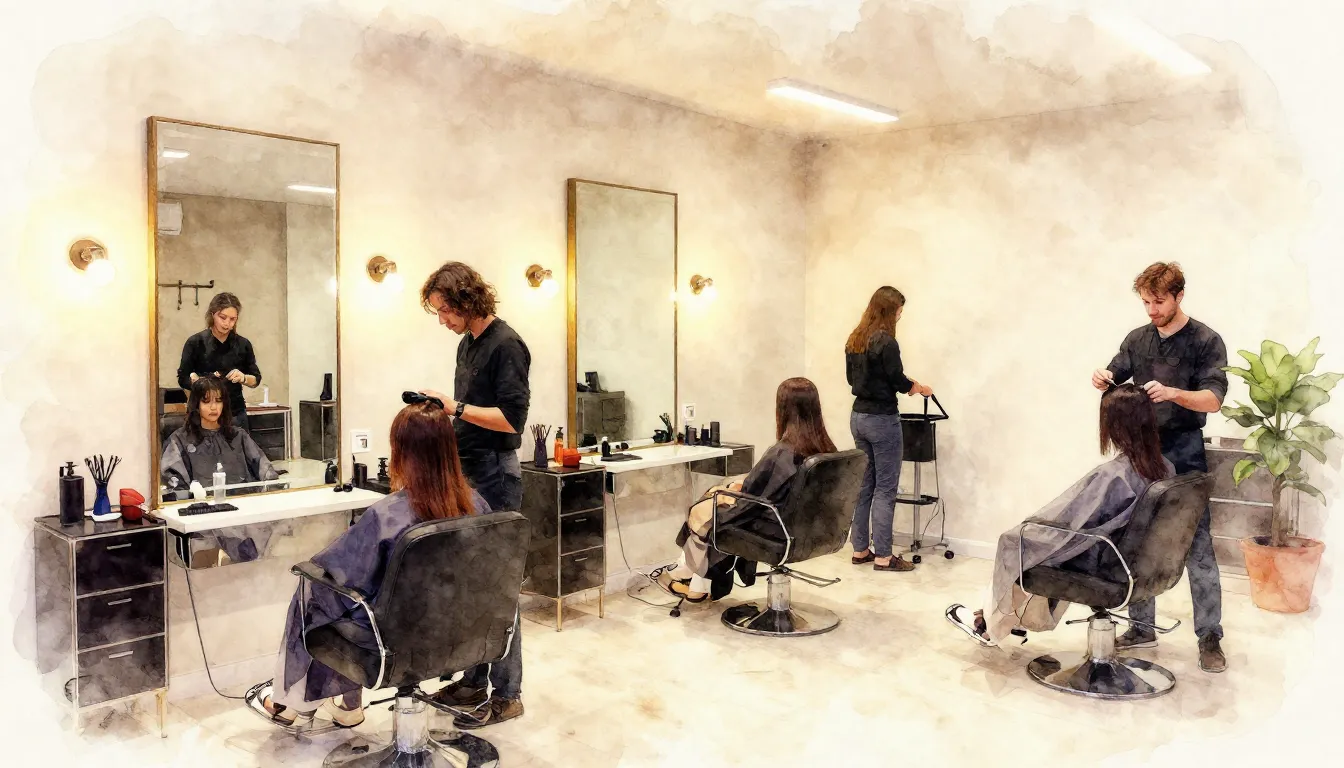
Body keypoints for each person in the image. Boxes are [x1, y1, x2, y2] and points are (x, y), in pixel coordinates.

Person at [254, 400, 492, 727]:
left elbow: (335, 572)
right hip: (462, 632)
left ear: (401, 453)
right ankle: (341, 704)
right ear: (449, 450)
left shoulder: (387, 515)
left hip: (393, 640)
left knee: (314, 591)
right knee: (346, 600)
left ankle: (295, 702)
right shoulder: (478, 505)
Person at [945, 384, 1174, 646]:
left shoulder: (1114, 475)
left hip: (1103, 566)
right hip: (1134, 565)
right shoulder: (1165, 468)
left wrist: (1034, 530)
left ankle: (990, 626)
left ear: (1115, 427)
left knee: (1015, 542)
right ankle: (1010, 618)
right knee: (1036, 546)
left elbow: (1072, 522)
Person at [1091, 261, 1229, 673]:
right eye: (1146, 303)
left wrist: (1173, 393)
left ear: (1179, 296)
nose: (1152, 310)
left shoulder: (1206, 341)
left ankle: (1209, 637)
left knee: (1197, 546)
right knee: (1138, 540)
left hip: (1185, 453)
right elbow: (1118, 369)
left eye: (1159, 302)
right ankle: (1141, 627)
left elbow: (1213, 400)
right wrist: (1104, 376)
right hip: (1142, 452)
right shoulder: (1138, 339)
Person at [418, 261, 530, 727]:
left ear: (466, 300)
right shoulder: (467, 344)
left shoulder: (507, 345)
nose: (443, 321)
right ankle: (473, 680)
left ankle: (507, 694)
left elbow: (511, 421)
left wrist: (456, 407)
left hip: (496, 475)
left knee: (497, 586)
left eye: (445, 311)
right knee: (470, 584)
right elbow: (465, 413)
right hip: (467, 473)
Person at [655, 377, 838, 603]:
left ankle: (688, 574)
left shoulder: (782, 452)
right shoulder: (826, 451)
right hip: (810, 529)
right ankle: (696, 582)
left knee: (707, 509)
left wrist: (730, 490)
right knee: (717, 505)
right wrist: (742, 487)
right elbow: (777, 488)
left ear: (782, 410)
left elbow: (753, 498)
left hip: (776, 529)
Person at [845, 286, 933, 573]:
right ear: (889, 311)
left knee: (864, 486)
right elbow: (897, 380)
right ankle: (883, 556)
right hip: (882, 420)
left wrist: (902, 383)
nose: (900, 316)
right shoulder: (887, 342)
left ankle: (860, 550)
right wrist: (916, 387)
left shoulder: (855, 338)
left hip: (858, 417)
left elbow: (852, 380)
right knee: (885, 488)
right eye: (899, 311)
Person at [161, 377, 279, 499]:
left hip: (243, 503)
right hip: (201, 506)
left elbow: (265, 469)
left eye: (218, 401)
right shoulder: (179, 440)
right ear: (196, 405)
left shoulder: (238, 436)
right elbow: (174, 484)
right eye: (206, 402)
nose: (213, 407)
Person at [177, 292, 261, 432]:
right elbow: (182, 378)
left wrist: (244, 378)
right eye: (222, 317)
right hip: (201, 416)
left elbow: (256, 379)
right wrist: (195, 381)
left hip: (235, 414)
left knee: (238, 445)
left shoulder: (243, 344)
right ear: (212, 314)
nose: (227, 323)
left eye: (232, 319)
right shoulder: (195, 342)